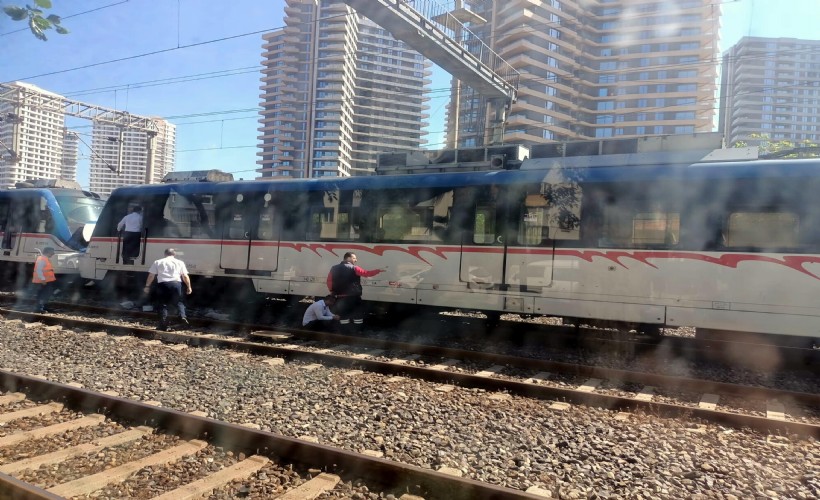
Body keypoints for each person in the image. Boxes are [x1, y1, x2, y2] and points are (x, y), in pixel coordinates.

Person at [326, 252, 386, 332]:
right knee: (357, 314)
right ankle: (357, 331)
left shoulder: (334, 268)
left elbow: (329, 281)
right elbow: (366, 273)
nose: (356, 260)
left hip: (341, 297)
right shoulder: (354, 268)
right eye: (354, 258)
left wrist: (332, 291)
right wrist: (378, 270)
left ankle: (345, 331)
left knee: (344, 314)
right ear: (348, 258)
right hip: (354, 297)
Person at [144, 248, 192, 331]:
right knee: (179, 301)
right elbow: (185, 276)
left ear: (165, 254)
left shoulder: (158, 262)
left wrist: (147, 286)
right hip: (176, 284)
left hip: (163, 285)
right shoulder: (180, 262)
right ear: (174, 254)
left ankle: (163, 325)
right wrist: (189, 286)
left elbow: (151, 276)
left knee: (163, 304)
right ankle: (182, 316)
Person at [31, 247, 56, 313]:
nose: (53, 253)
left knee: (46, 294)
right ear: (48, 252)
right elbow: (39, 270)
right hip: (42, 281)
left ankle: (43, 307)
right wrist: (43, 280)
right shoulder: (42, 259)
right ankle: (38, 308)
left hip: (46, 280)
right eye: (52, 252)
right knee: (42, 294)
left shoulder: (45, 259)